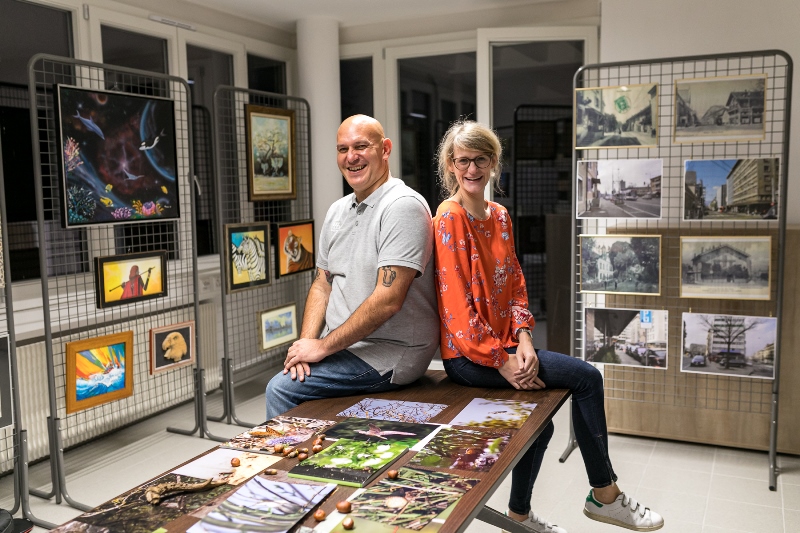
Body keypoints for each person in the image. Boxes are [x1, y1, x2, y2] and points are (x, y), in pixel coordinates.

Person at [432, 120, 664, 533]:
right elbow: (456, 310)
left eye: (480, 159)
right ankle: (605, 495)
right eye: (463, 160)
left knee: (543, 424)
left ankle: (518, 517)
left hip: (507, 345)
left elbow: (516, 283)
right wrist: (502, 363)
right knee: (587, 377)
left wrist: (523, 339)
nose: (472, 169)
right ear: (450, 165)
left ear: (493, 162)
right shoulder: (448, 219)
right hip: (470, 357)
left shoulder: (499, 216)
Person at [265, 115, 439, 419]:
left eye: (361, 146)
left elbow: (388, 301)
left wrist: (321, 348)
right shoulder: (337, 212)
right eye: (343, 149)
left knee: (281, 388)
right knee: (295, 374)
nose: (351, 157)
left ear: (385, 149)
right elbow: (323, 283)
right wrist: (308, 342)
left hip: (390, 352)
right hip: (346, 347)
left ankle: (284, 466)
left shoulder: (402, 207)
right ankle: (310, 457)